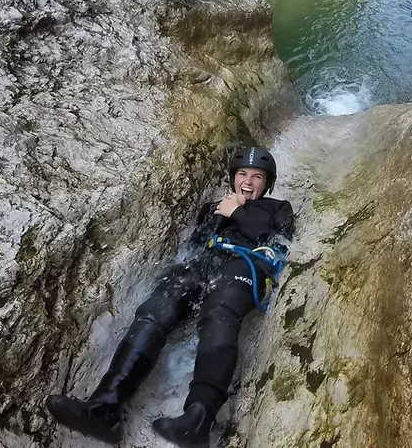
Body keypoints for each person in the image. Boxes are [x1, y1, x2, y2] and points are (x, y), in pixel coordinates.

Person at [46, 147, 294, 448]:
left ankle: (198, 420)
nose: (248, 181)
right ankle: (105, 407)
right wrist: (221, 214)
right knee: (155, 310)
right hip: (202, 264)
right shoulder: (212, 207)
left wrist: (238, 213)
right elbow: (196, 245)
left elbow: (279, 242)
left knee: (220, 313)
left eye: (257, 177)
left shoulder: (279, 207)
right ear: (233, 177)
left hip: (245, 265)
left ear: (267, 184)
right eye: (242, 173)